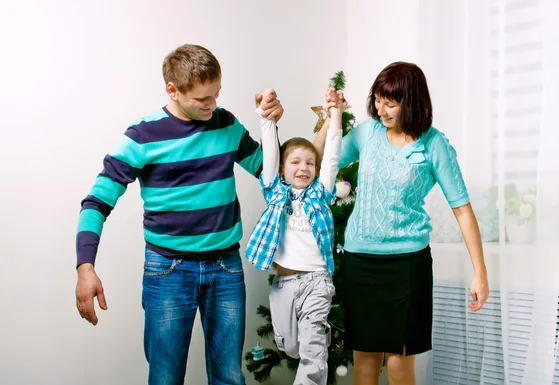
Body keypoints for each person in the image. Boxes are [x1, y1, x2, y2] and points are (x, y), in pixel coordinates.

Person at [74, 44, 283, 385]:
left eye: (216, 94)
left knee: (230, 376)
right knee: (166, 377)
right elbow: (96, 202)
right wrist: (86, 267)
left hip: (225, 267)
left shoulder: (225, 123)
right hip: (167, 271)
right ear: (173, 90)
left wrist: (270, 126)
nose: (212, 105)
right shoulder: (142, 137)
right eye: (203, 99)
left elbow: (270, 174)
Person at [313, 62, 490, 385]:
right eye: (378, 99)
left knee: (398, 364)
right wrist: (330, 118)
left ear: (412, 103)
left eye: (390, 103)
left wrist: (480, 272)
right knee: (364, 364)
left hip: (407, 266)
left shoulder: (435, 144)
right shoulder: (367, 133)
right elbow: (318, 158)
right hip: (360, 262)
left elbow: (462, 210)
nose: (381, 109)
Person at [244, 87, 345, 385]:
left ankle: (318, 337)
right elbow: (270, 152)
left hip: (316, 282)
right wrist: (266, 118)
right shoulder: (275, 192)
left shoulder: (320, 193)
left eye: (309, 163)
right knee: (290, 347)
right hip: (284, 283)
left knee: (312, 351)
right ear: (282, 169)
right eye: (296, 162)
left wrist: (335, 113)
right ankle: (320, 336)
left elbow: (332, 154)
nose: (304, 167)